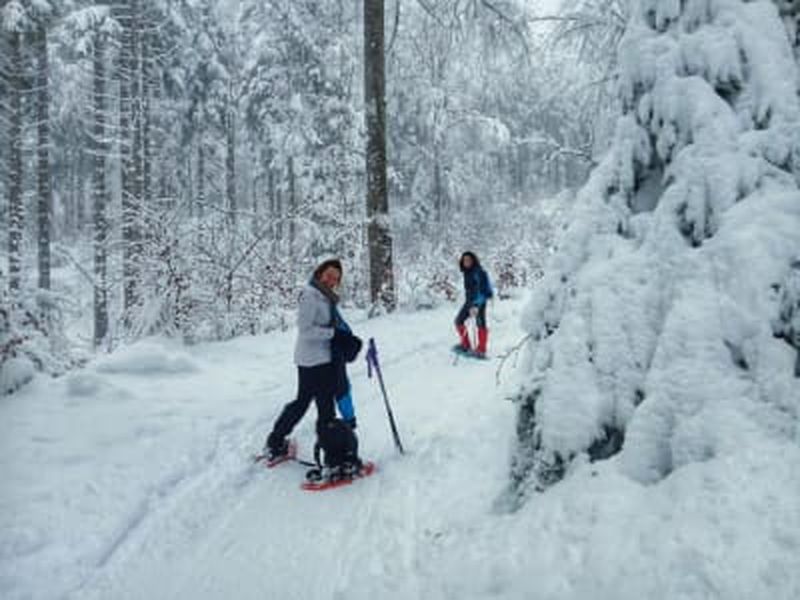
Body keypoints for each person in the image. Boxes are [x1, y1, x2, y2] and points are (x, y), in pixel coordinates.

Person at [265, 259, 361, 465]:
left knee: (302, 402)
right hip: (315, 360)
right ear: (319, 273)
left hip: (315, 359)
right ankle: (335, 460)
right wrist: (334, 334)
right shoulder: (310, 295)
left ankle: (275, 442)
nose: (331, 280)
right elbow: (305, 330)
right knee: (325, 409)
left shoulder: (325, 297)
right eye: (328, 275)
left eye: (336, 278)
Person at [454, 251, 493, 357]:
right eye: (464, 260)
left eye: (469, 260)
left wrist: (476, 305)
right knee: (459, 321)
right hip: (469, 302)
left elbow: (485, 291)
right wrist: (470, 304)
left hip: (479, 302)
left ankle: (481, 350)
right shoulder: (467, 272)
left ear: (473, 260)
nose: (466, 262)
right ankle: (465, 345)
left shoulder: (479, 273)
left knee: (480, 323)